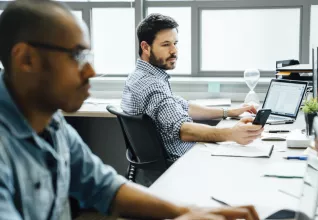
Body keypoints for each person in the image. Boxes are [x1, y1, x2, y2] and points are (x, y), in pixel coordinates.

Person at [0, 1, 260, 219]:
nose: (90, 72)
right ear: (26, 59)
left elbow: (105, 187)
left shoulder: (52, 124)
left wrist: (187, 211)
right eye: (77, 56)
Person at [121, 13, 263, 161]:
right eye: (166, 44)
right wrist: (231, 134)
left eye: (175, 43)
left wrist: (228, 111)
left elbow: (184, 107)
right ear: (145, 47)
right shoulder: (152, 85)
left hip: (171, 162)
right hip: (178, 164)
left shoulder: (139, 76)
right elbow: (182, 129)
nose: (174, 51)